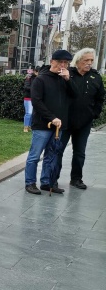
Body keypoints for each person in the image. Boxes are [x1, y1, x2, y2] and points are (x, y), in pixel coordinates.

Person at [24, 49, 76, 195]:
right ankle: (30, 183)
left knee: (51, 155)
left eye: (66, 63)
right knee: (35, 155)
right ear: (52, 61)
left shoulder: (65, 79)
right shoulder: (41, 79)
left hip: (59, 126)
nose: (63, 65)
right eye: (60, 62)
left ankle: (46, 182)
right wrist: (51, 117)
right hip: (43, 124)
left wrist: (68, 80)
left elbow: (75, 95)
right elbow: (37, 102)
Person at [59, 48, 105, 189]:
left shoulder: (95, 77)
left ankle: (76, 179)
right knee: (58, 150)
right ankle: (52, 178)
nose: (89, 63)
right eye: (86, 60)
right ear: (78, 61)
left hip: (84, 122)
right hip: (66, 121)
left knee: (80, 153)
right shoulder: (68, 74)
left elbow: (100, 98)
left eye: (91, 60)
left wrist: (94, 114)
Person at [23, 66, 40, 132]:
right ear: (35, 72)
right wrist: (34, 89)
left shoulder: (39, 79)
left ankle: (29, 126)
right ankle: (26, 127)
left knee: (32, 113)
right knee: (29, 113)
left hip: (35, 98)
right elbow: (26, 87)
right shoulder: (29, 78)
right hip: (28, 97)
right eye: (38, 72)